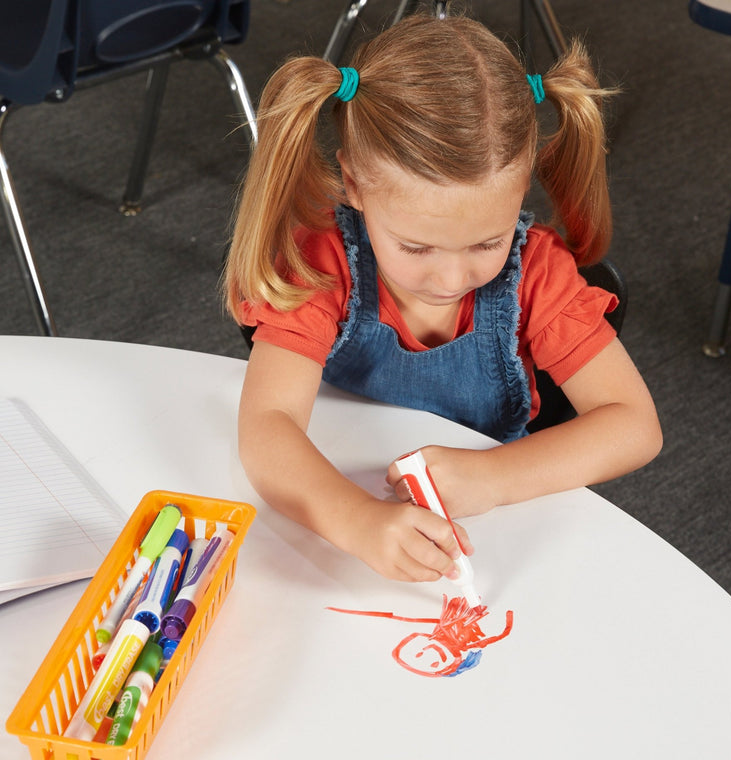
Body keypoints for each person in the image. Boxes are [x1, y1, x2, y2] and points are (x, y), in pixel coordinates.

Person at [224, 14, 662, 587]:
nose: (452, 277)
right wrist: (357, 520)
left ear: (523, 181)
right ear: (353, 184)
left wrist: (493, 477)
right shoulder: (324, 264)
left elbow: (635, 427)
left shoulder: (536, 274)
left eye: (487, 242)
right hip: (334, 492)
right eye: (416, 246)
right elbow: (267, 425)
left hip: (488, 530)